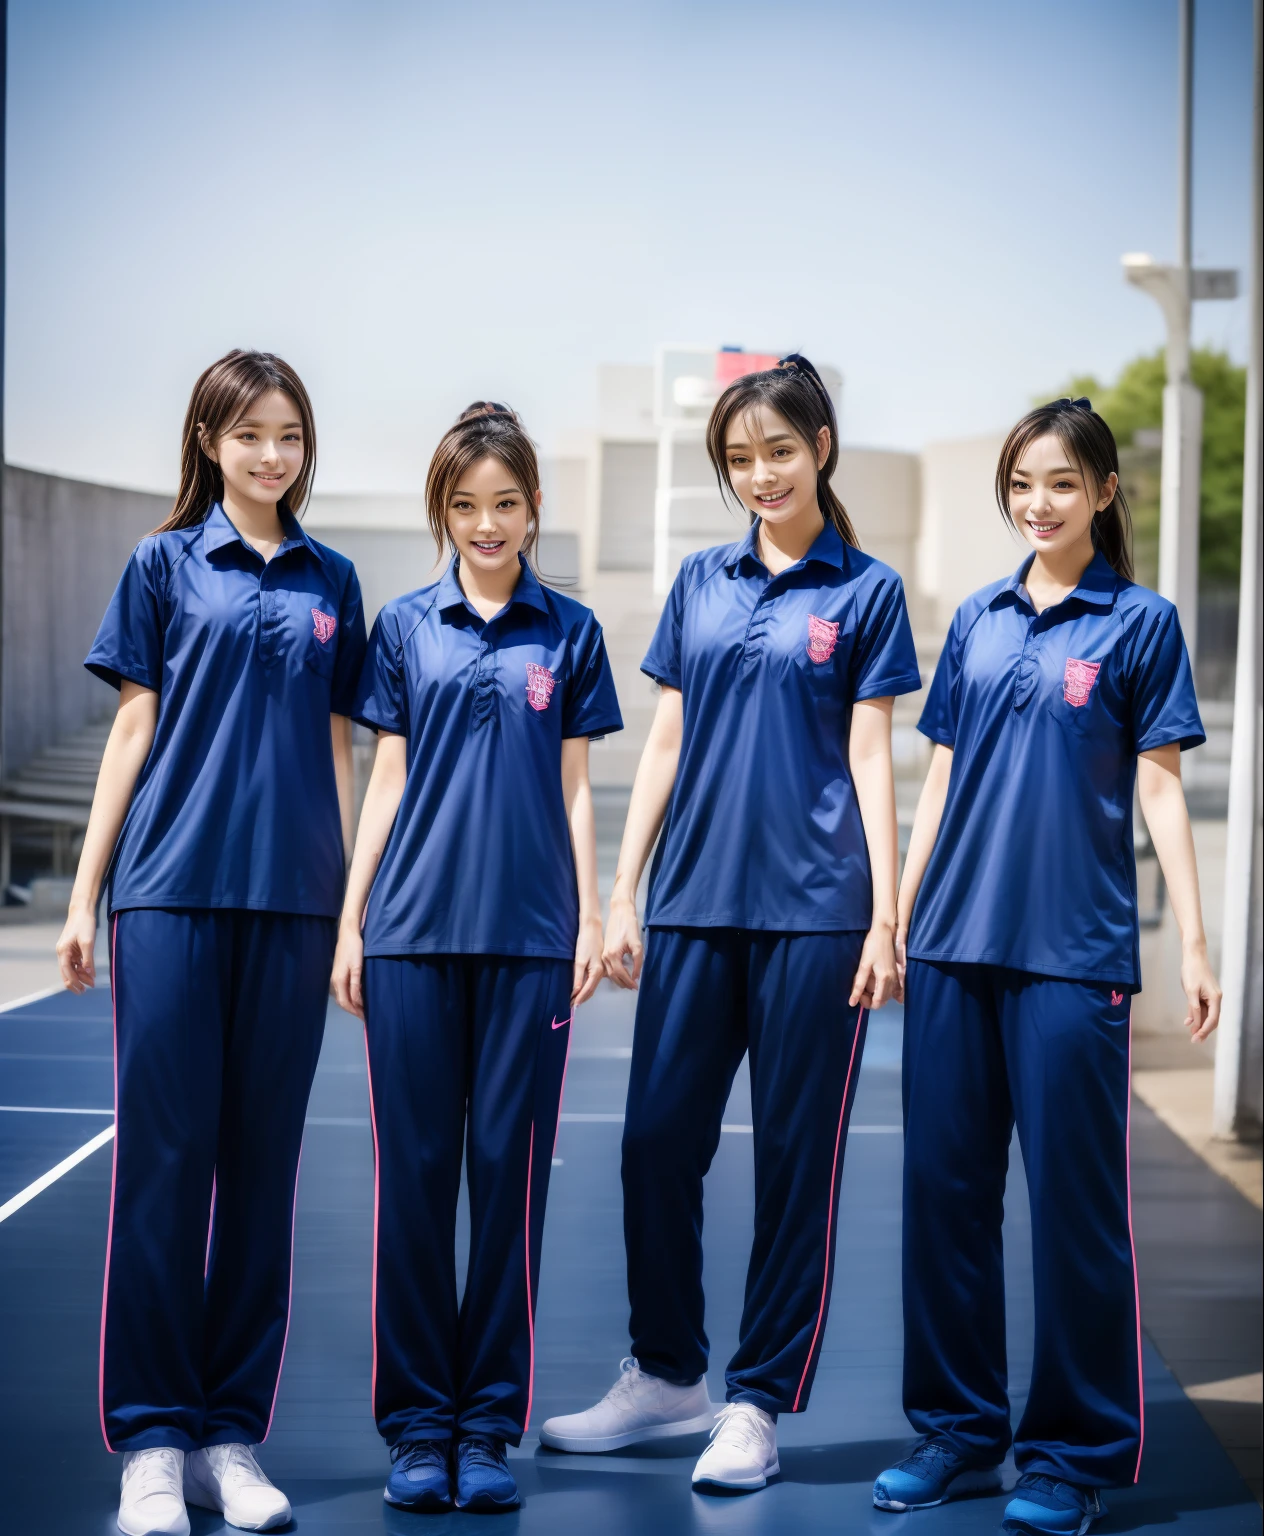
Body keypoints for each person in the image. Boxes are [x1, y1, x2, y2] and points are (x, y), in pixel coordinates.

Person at [540, 355, 921, 1492]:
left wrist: (883, 916)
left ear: (820, 450)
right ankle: (666, 1375)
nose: (760, 475)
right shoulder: (699, 582)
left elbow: (870, 759)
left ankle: (755, 1402)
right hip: (693, 904)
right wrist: (619, 893)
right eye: (740, 459)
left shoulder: (866, 593)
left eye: (780, 452)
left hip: (817, 915)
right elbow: (661, 742)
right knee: (656, 1143)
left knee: (795, 1167)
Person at [872, 399, 1220, 1536]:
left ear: (1104, 492)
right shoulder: (974, 619)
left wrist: (1198, 944)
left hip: (1072, 956)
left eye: (1062, 483)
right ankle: (959, 1432)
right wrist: (897, 920)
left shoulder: (1140, 623)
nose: (1038, 502)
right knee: (944, 1198)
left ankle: (1070, 1452)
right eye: (1022, 482)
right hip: (952, 947)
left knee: (1074, 1211)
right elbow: (937, 785)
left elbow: (1159, 784)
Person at [56, 350, 366, 1536]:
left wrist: (347, 908)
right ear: (208, 441)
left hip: (291, 910)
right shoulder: (160, 565)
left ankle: (231, 1437)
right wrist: (86, 894)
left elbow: (339, 755)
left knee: (261, 1179)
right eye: (249, 435)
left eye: (289, 434)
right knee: (164, 1175)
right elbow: (132, 734)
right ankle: (150, 1443)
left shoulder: (335, 580)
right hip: (170, 896)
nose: (272, 454)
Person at [331, 402, 622, 1514]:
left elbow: (575, 786)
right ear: (441, 514)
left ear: (534, 508)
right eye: (465, 506)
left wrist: (591, 915)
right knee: (412, 1188)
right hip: (410, 938)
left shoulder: (573, 632)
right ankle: (416, 1428)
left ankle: (486, 1425)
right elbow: (387, 776)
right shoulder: (405, 627)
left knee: (505, 1187)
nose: (486, 524)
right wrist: (356, 919)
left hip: (531, 944)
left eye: (505, 503)